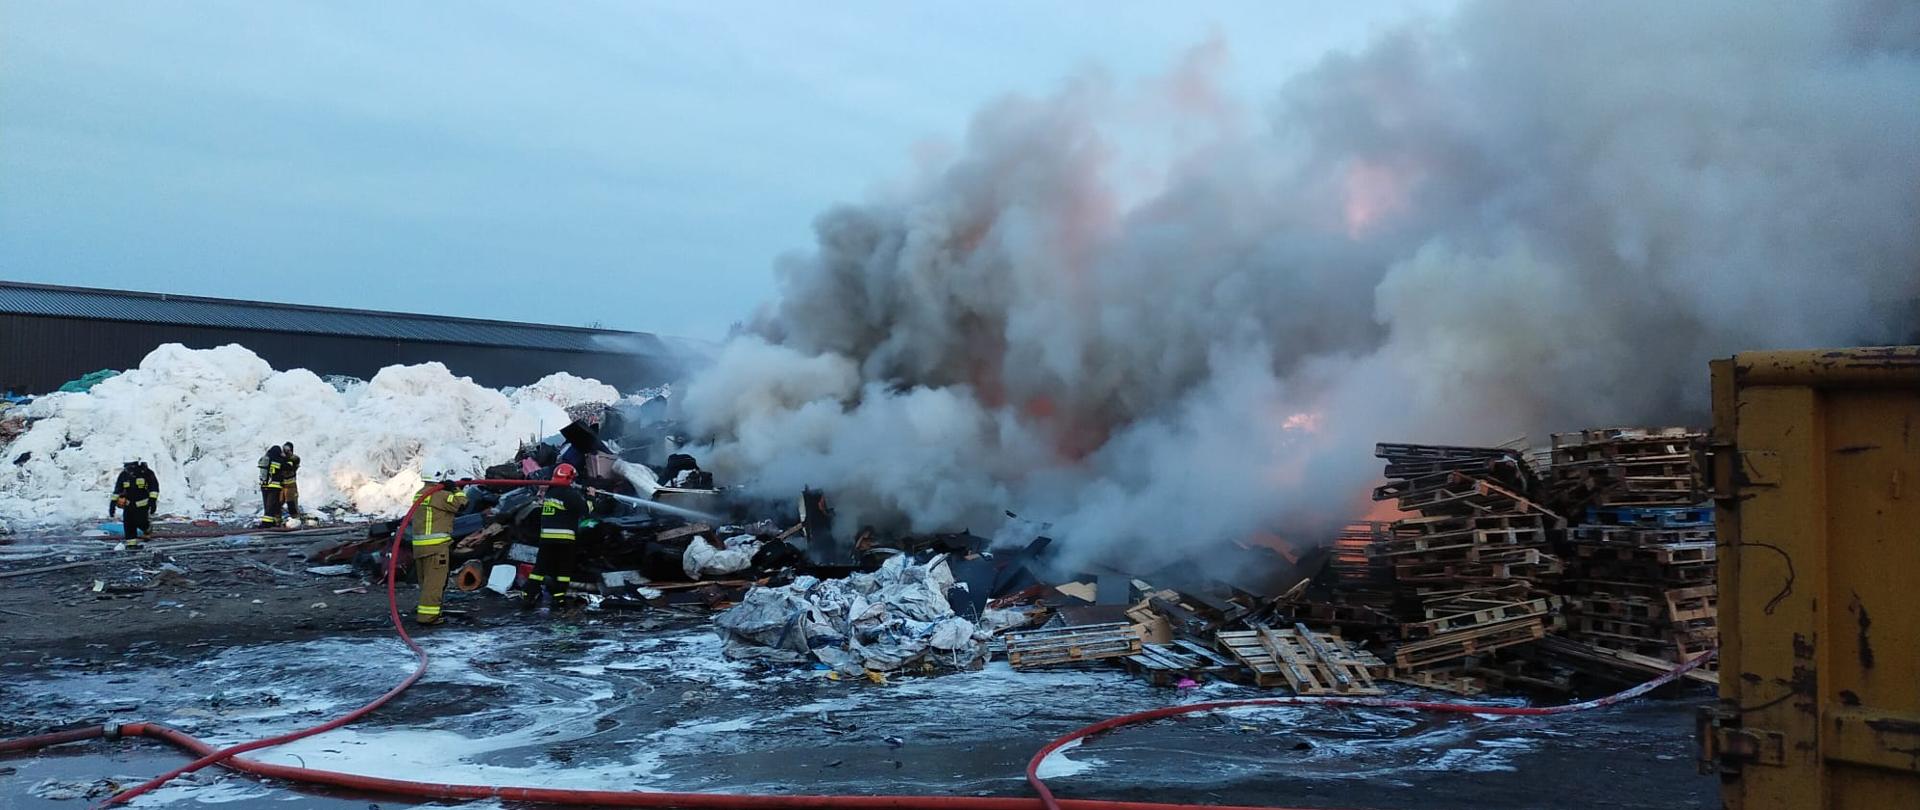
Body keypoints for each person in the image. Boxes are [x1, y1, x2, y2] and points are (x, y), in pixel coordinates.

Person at [527, 463, 591, 618]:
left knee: (539, 569)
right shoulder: (569, 494)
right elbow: (585, 510)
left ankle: (528, 596)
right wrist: (590, 497)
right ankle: (559, 599)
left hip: (546, 538)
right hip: (565, 538)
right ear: (570, 478)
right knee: (563, 571)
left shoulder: (551, 493)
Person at [407, 474, 468, 626]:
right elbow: (462, 505)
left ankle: (425, 612)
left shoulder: (420, 493)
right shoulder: (440, 494)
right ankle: (428, 617)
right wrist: (456, 489)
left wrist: (456, 488)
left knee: (426, 582)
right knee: (434, 584)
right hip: (436, 547)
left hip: (420, 547)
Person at [109, 459, 159, 549]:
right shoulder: (124, 474)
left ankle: (147, 528)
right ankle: (131, 544)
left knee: (140, 522)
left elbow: (154, 488)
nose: (127, 468)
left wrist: (153, 501)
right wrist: (112, 504)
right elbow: (117, 490)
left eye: (129, 466)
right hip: (128, 505)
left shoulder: (147, 473)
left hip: (142, 505)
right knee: (128, 524)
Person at [257, 445, 286, 527]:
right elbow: (287, 466)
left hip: (264, 485)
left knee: (267, 505)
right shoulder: (277, 460)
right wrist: (285, 458)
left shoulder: (265, 459)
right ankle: (267, 523)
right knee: (271, 504)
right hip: (274, 486)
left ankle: (271, 521)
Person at [279, 442, 303, 518]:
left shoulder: (295, 458)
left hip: (290, 484)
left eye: (287, 449)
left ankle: (295, 518)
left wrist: (286, 456)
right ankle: (277, 519)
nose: (285, 451)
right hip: (281, 485)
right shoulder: (281, 458)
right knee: (278, 502)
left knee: (292, 503)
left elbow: (291, 464)